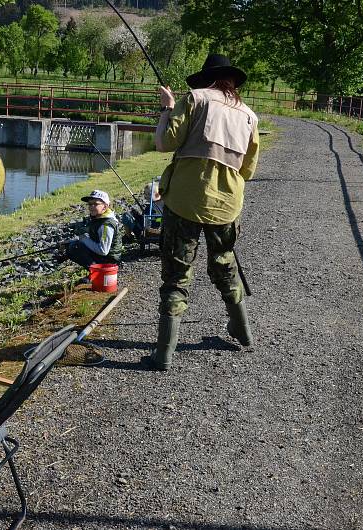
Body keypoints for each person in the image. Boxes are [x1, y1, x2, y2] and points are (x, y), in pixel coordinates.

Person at [144, 54, 260, 370]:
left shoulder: (194, 99)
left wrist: (168, 108)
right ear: (232, 82)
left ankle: (164, 355)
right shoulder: (250, 116)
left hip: (184, 201)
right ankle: (243, 331)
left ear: (206, 79)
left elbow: (165, 143)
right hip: (227, 205)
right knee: (224, 263)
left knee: (177, 275)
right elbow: (247, 170)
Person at [57, 189, 122, 268]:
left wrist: (83, 239)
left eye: (95, 204)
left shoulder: (106, 225)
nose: (91, 207)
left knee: (75, 247)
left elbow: (103, 251)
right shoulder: (98, 218)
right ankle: (95, 271)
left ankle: (98, 273)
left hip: (110, 261)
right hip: (104, 257)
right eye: (90, 204)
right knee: (72, 245)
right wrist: (69, 242)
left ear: (105, 206)